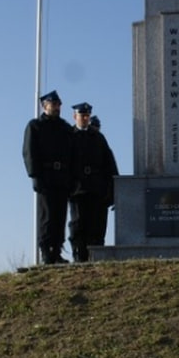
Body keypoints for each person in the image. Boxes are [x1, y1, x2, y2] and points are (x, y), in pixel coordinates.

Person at [22, 90, 72, 264]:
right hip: (46, 176)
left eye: (58, 105)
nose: (57, 107)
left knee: (60, 216)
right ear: (45, 106)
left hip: (63, 177)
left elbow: (72, 154)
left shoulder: (65, 128)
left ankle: (57, 249)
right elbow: (29, 152)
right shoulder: (35, 126)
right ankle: (46, 251)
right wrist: (34, 175)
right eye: (53, 104)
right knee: (47, 216)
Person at [68, 101, 119, 260]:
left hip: (97, 190)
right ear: (75, 116)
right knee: (78, 225)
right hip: (78, 190)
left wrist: (113, 190)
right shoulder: (68, 137)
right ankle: (79, 256)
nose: (85, 118)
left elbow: (109, 164)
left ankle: (97, 256)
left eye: (87, 116)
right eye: (82, 115)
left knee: (97, 226)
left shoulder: (98, 137)